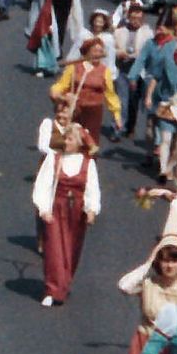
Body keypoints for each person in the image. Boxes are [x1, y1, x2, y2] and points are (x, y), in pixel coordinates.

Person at [33, 126, 100, 309]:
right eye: (66, 138)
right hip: (56, 209)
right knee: (54, 248)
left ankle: (63, 284)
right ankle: (52, 290)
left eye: (70, 139)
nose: (66, 142)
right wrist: (44, 209)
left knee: (71, 250)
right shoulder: (54, 159)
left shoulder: (88, 163)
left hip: (76, 212)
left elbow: (92, 188)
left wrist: (91, 209)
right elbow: (43, 184)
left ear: (78, 142)